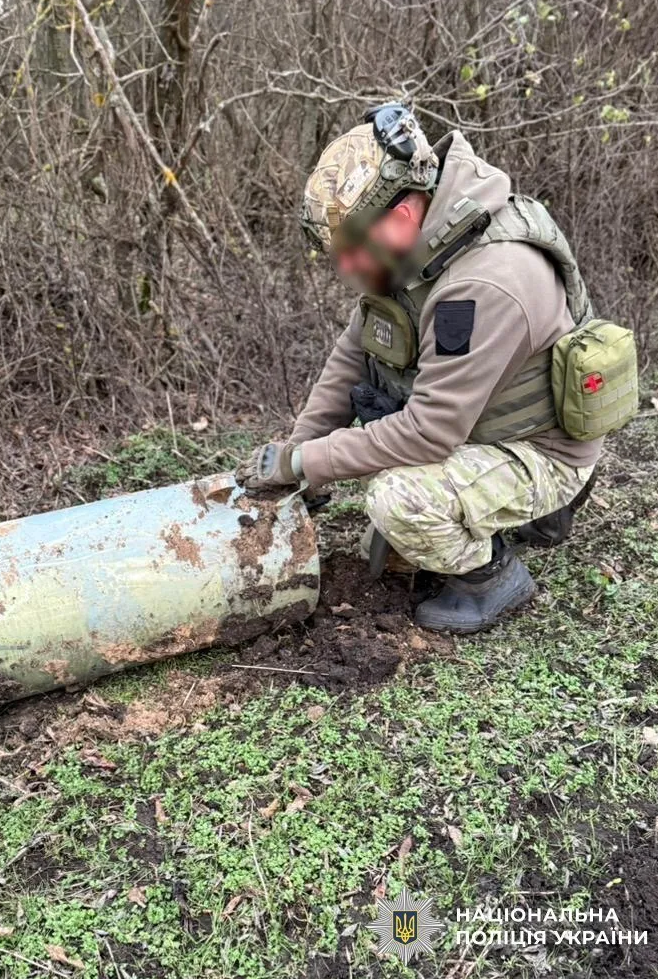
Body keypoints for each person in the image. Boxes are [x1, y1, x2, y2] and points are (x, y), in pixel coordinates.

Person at [235, 103, 603, 634]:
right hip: (487, 428)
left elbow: (429, 431)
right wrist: (299, 452)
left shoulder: (482, 284)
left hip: (544, 448)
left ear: (402, 215)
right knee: (387, 542)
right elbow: (353, 355)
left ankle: (491, 579)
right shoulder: (423, 249)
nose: (345, 266)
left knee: (399, 502)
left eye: (350, 250)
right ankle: (518, 514)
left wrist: (305, 462)